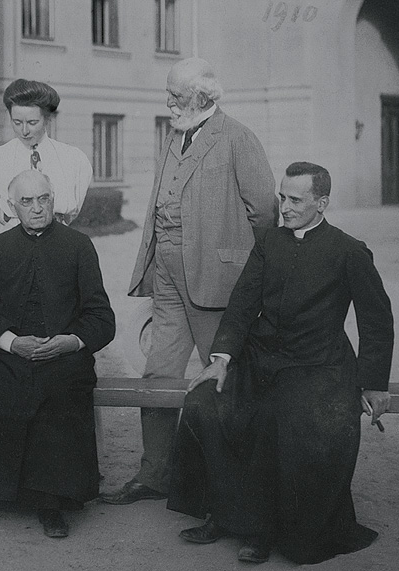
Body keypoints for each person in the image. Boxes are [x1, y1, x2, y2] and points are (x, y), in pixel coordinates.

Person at [167, 162, 395, 564]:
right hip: (261, 358)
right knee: (204, 402)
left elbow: (375, 320)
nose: (284, 208)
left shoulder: (349, 251)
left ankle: (262, 530)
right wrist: (221, 358)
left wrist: (374, 383)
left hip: (317, 363)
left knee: (281, 417)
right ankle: (224, 514)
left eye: (295, 200)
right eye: (282, 197)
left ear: (321, 203)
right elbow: (243, 302)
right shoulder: (270, 242)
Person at [102, 57, 278, 505]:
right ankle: (155, 474)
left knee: (220, 379)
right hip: (166, 274)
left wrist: (248, 274)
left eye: (176, 96)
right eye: (169, 93)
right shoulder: (174, 136)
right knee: (157, 373)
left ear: (201, 97)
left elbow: (264, 211)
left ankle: (234, 490)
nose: (169, 102)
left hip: (215, 280)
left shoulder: (237, 137)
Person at [0, 170, 115, 538]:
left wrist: (71, 342)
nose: (36, 208)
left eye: (43, 199)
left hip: (62, 353)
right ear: (11, 206)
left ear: (53, 199)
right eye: (27, 201)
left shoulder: (79, 246)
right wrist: (10, 342)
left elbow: (101, 317)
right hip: (6, 352)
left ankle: (51, 502)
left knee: (59, 390)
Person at [0, 78, 92, 237]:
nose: (24, 131)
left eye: (32, 122)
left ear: (47, 119)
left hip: (58, 241)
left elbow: (71, 214)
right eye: (17, 122)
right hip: (10, 243)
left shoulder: (73, 159)